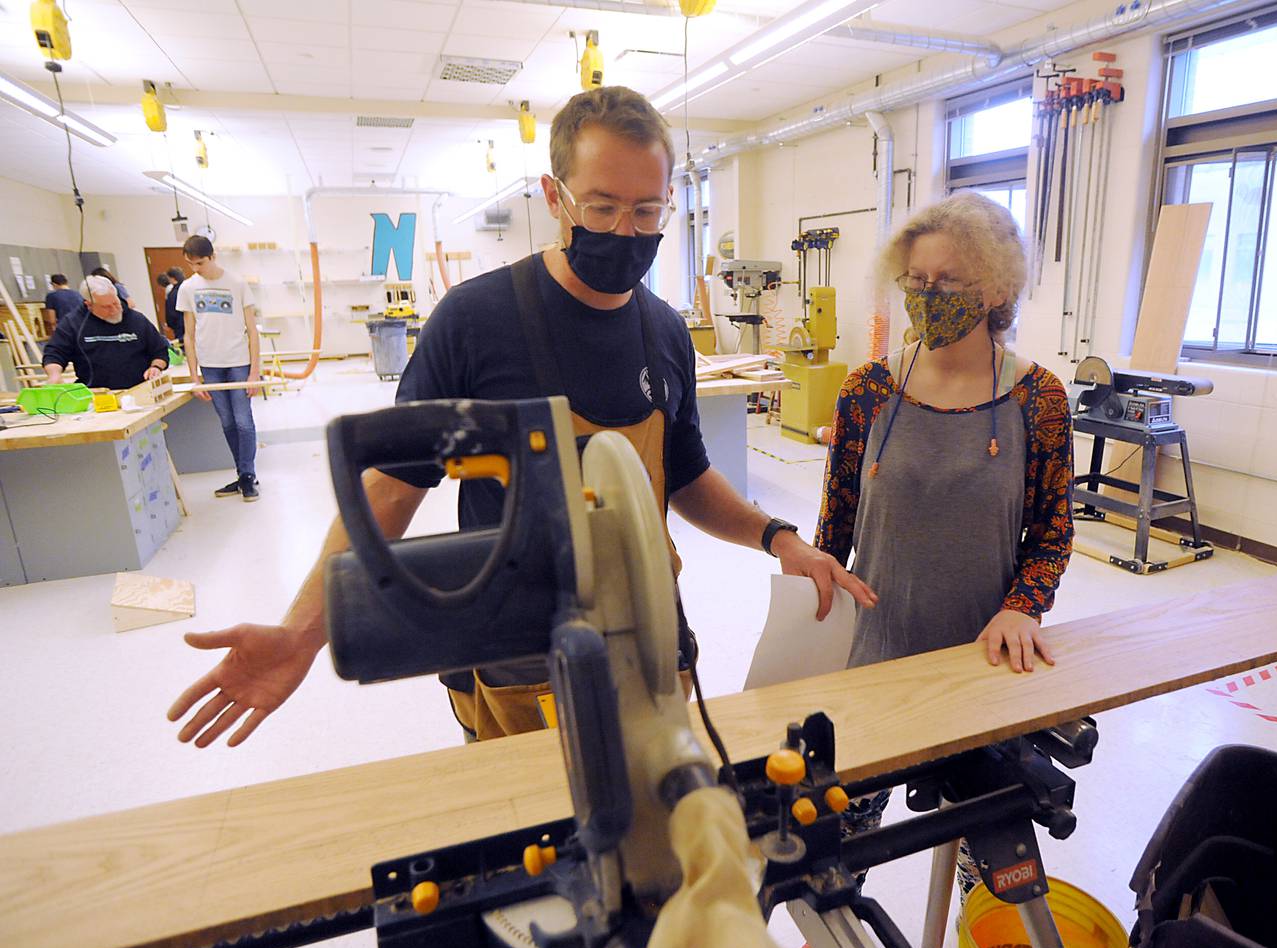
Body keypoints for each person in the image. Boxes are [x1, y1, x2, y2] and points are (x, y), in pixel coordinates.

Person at [167, 86, 876, 750]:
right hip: (516, 661)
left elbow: (685, 473)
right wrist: (301, 634)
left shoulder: (664, 331)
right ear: (554, 196)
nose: (626, 231)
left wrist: (779, 539)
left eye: (648, 212)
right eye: (602, 208)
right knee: (529, 859)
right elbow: (390, 491)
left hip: (651, 638)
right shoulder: (475, 322)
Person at [815, 190, 1075, 889]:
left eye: (948, 283)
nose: (927, 297)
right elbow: (835, 522)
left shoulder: (1037, 398)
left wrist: (1024, 605)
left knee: (988, 873)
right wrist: (810, 611)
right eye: (917, 282)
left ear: (995, 288)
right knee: (833, 859)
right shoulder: (868, 389)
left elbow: (1053, 530)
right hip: (872, 660)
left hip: (982, 666)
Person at [175, 235, 262, 502]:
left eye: (200, 262)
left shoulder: (236, 283)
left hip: (238, 362)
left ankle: (248, 476)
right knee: (227, 423)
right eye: (191, 264)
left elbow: (252, 331)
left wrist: (254, 372)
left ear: (212, 257)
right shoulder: (188, 288)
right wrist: (194, 377)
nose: (196, 268)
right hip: (210, 365)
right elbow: (188, 335)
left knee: (243, 422)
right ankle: (242, 473)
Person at [41, 275, 170, 389]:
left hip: (139, 391)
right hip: (97, 396)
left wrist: (156, 367)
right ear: (89, 305)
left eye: (115, 303)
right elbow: (55, 353)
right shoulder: (73, 323)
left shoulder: (137, 320)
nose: (114, 310)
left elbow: (160, 351)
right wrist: (54, 375)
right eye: (106, 307)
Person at [164, 266, 187, 342]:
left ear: (173, 279)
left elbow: (171, 314)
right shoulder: (189, 288)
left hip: (180, 325)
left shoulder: (173, 294)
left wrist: (170, 324)